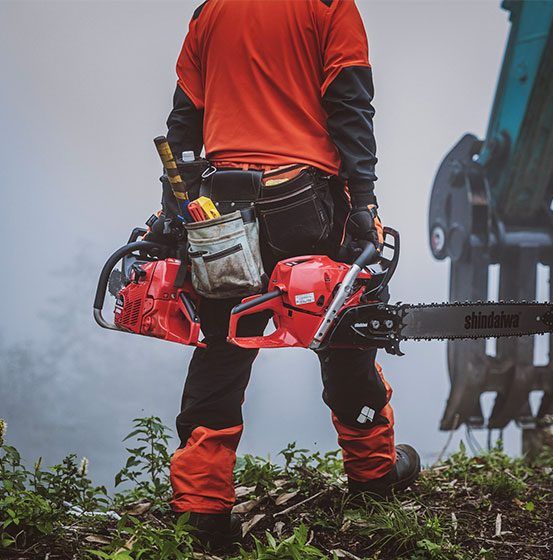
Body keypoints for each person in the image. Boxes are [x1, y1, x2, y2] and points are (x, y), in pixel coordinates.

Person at [159, 0, 420, 547]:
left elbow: (185, 118)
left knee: (221, 344)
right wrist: (364, 204)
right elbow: (350, 108)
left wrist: (177, 207)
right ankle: (373, 474)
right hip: (306, 199)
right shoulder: (328, 7)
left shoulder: (212, 11)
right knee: (346, 325)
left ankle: (202, 506)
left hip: (220, 201)